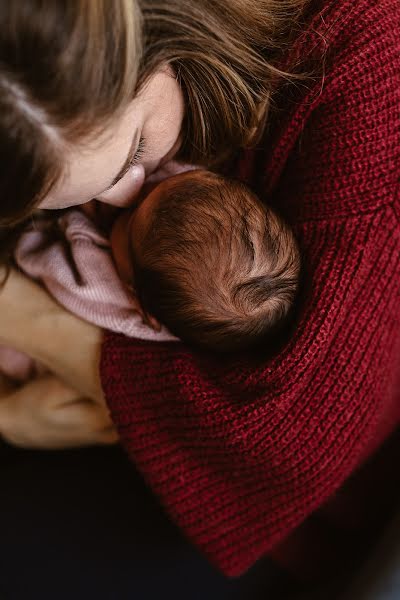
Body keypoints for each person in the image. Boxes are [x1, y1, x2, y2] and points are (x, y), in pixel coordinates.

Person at [0, 0, 399, 598]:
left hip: (251, 499)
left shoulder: (369, 61)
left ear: (166, 22)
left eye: (135, 149)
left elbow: (299, 442)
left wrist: (28, 320)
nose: (126, 199)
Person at [0, 169, 300, 382]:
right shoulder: (197, 203)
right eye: (159, 186)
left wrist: (71, 223)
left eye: (129, 222)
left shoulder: (96, 288)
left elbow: (36, 259)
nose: (135, 195)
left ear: (135, 297)